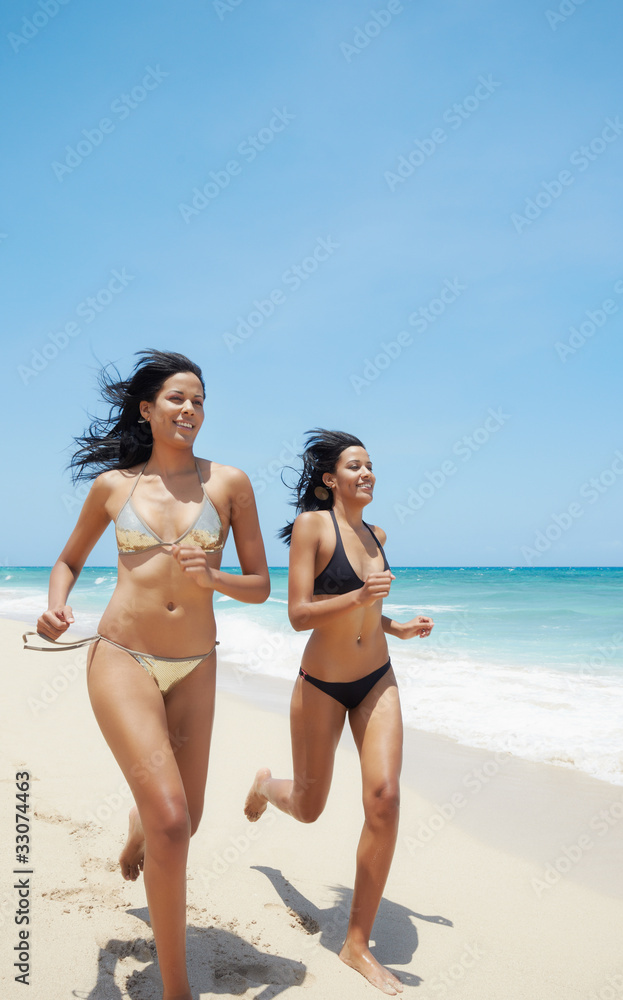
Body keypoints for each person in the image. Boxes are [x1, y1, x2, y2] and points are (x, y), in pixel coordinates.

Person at [27, 350, 270, 1000]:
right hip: (122, 657)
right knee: (173, 821)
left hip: (197, 664)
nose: (190, 410)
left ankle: (137, 827)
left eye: (198, 401)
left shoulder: (230, 484)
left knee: (178, 824)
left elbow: (260, 586)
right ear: (147, 408)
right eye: (177, 400)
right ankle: (176, 991)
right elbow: (67, 561)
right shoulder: (116, 488)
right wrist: (55, 607)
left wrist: (212, 576)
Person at [244, 429, 433, 997]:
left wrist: (395, 625)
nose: (367, 472)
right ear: (330, 479)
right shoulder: (313, 527)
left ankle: (356, 943)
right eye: (355, 465)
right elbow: (299, 613)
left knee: (385, 797)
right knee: (308, 806)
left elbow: (368, 614)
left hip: (378, 679)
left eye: (371, 464)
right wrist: (361, 598)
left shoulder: (377, 535)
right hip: (322, 684)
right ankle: (264, 786)